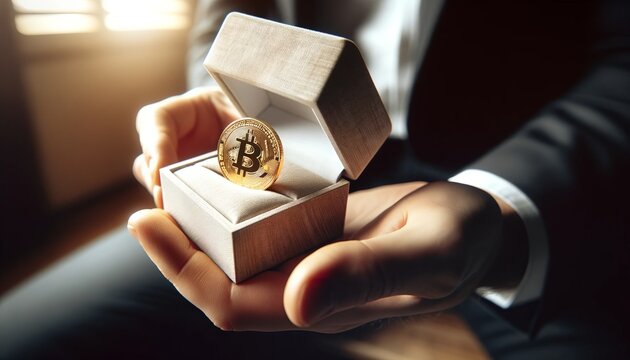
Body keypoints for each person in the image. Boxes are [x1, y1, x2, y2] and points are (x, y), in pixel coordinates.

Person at [1, 0, 629, 358]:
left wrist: (505, 207)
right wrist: (224, 93)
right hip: (286, 146)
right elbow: (227, 9)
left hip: (518, 181)